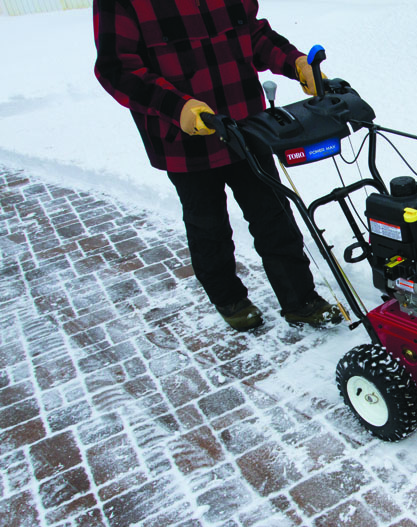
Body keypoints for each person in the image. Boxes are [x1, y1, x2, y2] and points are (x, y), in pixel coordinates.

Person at [93, 0, 341, 331]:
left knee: (274, 215)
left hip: (245, 125)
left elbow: (252, 34)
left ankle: (300, 300)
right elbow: (117, 68)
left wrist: (295, 63)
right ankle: (229, 298)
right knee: (207, 225)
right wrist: (177, 106)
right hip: (182, 134)